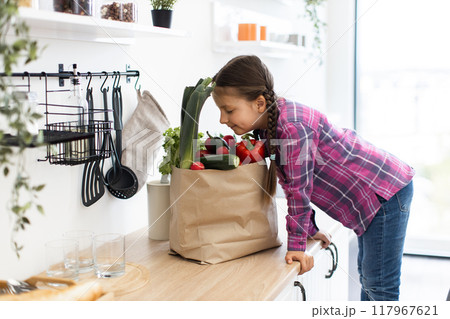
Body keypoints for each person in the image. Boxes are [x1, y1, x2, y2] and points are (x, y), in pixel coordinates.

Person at [211, 55, 415, 301]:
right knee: (370, 279)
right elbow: (290, 182)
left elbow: (299, 189)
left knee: (380, 287)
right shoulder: (270, 125)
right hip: (375, 197)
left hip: (384, 192)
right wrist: (308, 229)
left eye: (229, 110)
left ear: (260, 103)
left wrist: (297, 247)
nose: (223, 119)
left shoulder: (292, 125)